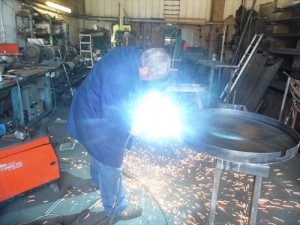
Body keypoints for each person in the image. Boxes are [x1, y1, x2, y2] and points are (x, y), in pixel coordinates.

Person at [66, 46, 171, 222]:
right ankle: (115, 208)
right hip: (94, 113)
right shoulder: (119, 77)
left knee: (95, 146)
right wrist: (132, 126)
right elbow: (114, 113)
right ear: (145, 69)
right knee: (110, 157)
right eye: (150, 77)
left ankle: (96, 180)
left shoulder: (136, 54)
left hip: (92, 104)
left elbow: (131, 92)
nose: (149, 81)